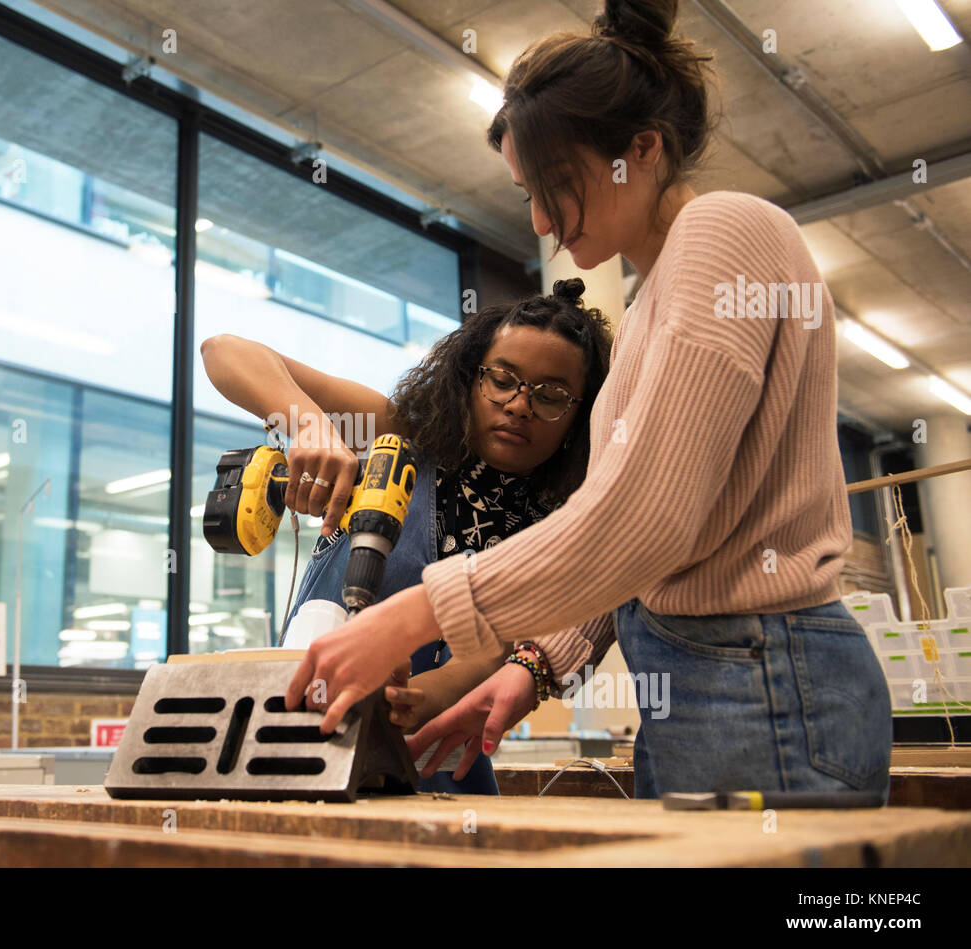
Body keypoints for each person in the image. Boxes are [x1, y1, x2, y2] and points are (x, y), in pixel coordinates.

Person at [285, 0, 892, 802]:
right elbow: (652, 540)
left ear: (643, 149)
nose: (542, 220)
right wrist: (537, 666)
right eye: (527, 193)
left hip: (763, 680)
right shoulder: (648, 307)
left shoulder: (725, 231)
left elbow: (644, 519)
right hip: (705, 679)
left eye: (558, 185)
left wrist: (408, 616)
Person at [200, 283, 612, 793]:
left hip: (433, 768)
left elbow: (490, 654)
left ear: (581, 417)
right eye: (502, 380)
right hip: (291, 743)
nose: (519, 405)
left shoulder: (564, 527)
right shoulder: (395, 437)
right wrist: (309, 425)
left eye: (550, 396)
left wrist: (414, 698)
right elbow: (223, 351)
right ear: (470, 378)